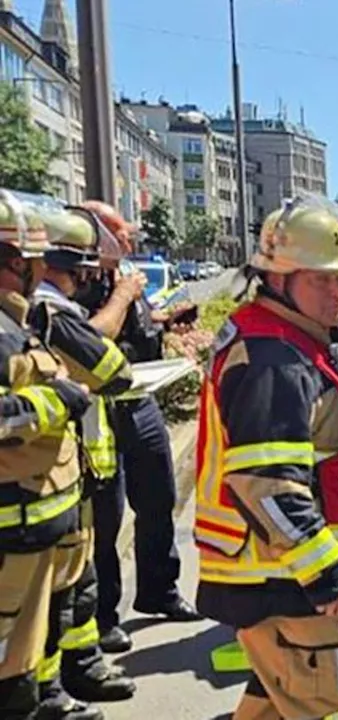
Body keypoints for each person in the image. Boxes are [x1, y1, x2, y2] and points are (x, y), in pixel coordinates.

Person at [193, 197, 338, 719]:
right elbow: (266, 482)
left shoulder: (295, 342)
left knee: (280, 697)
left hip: (291, 581)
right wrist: (326, 570)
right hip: (293, 584)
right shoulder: (275, 360)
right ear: (278, 280)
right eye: (321, 281)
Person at [70, 202, 199, 657]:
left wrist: (164, 321)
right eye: (121, 234)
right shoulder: (77, 280)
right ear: (97, 235)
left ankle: (159, 590)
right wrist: (123, 295)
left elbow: (130, 330)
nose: (129, 242)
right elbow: (85, 341)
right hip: (97, 413)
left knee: (158, 498)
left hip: (140, 399)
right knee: (106, 517)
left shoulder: (119, 274)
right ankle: (103, 616)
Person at [27, 208, 137, 719]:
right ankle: (55, 688)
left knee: (72, 582)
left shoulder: (28, 314)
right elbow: (111, 371)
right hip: (49, 480)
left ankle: (77, 668)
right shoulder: (49, 313)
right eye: (86, 273)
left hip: (63, 472)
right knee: (59, 589)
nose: (87, 283)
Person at [0, 194, 94, 720]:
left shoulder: (15, 321)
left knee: (22, 662)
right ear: (17, 262)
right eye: (37, 262)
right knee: (9, 672)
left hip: (29, 527)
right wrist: (54, 400)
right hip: (10, 528)